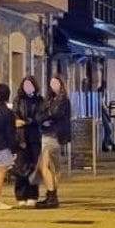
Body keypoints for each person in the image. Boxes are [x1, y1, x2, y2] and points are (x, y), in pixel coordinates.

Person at [35, 72, 72, 210]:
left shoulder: (63, 100)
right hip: (47, 134)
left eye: (56, 83)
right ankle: (51, 195)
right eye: (51, 83)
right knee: (50, 167)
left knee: (45, 166)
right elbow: (40, 115)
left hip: (53, 136)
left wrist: (46, 118)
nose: (53, 85)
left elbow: (55, 114)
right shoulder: (50, 99)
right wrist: (44, 118)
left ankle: (51, 196)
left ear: (61, 84)